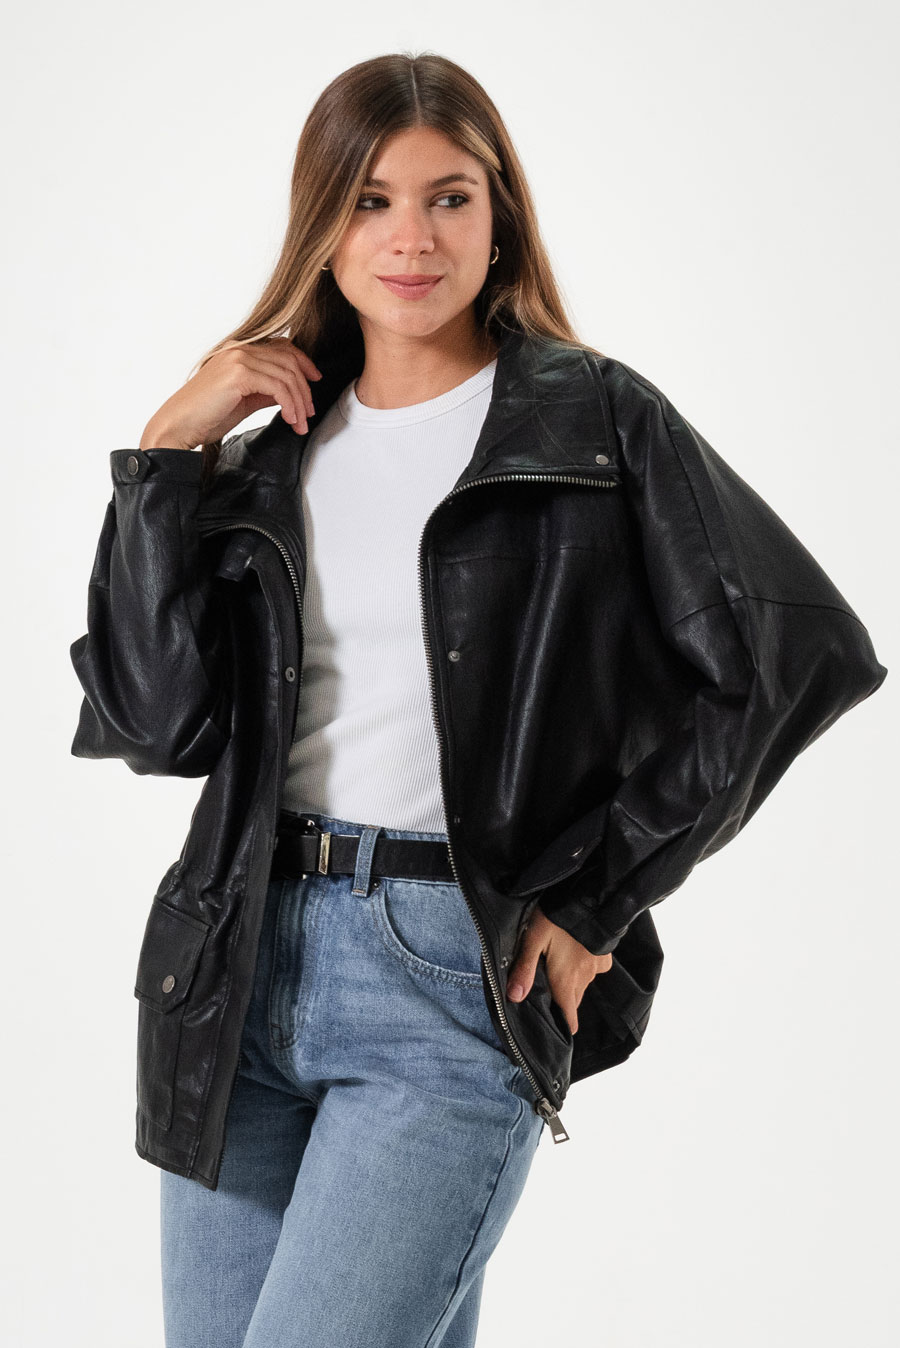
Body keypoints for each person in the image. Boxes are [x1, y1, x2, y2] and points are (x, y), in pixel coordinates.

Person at [68, 51, 888, 1348]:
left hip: (448, 970)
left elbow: (796, 655)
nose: (412, 238)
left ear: (499, 213)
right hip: (230, 974)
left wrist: (599, 894)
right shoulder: (266, 453)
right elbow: (154, 722)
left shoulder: (593, 423)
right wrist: (167, 457)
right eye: (371, 200)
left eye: (448, 197)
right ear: (323, 223)